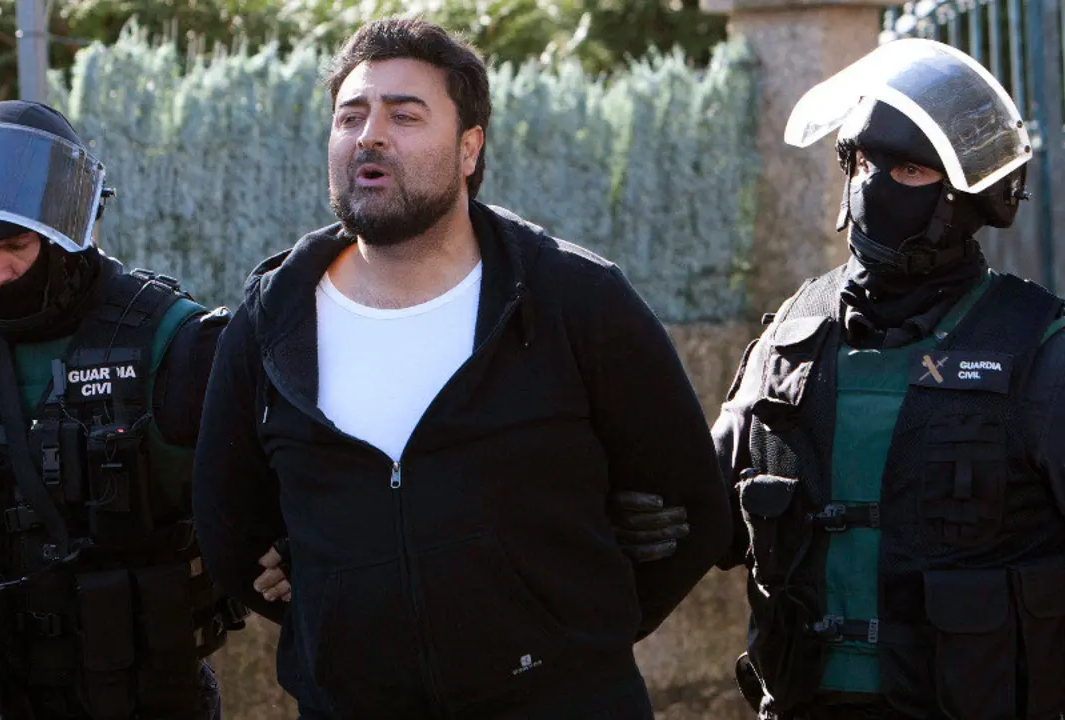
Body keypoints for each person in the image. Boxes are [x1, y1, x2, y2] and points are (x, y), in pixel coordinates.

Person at [192, 17, 731, 720]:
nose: (370, 135)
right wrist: (341, 604)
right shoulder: (271, 321)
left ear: (469, 148)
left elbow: (689, 510)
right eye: (351, 116)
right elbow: (232, 532)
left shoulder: (573, 299)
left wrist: (573, 643)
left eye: (404, 115)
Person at [715, 39, 1065, 719]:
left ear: (968, 195)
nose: (874, 185)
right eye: (863, 162)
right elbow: (697, 513)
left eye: (910, 169)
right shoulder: (787, 341)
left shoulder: (1047, 362)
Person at [0, 100, 241, 719]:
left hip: (139, 695)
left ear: (67, 231)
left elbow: (259, 493)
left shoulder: (172, 339)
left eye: (15, 245)